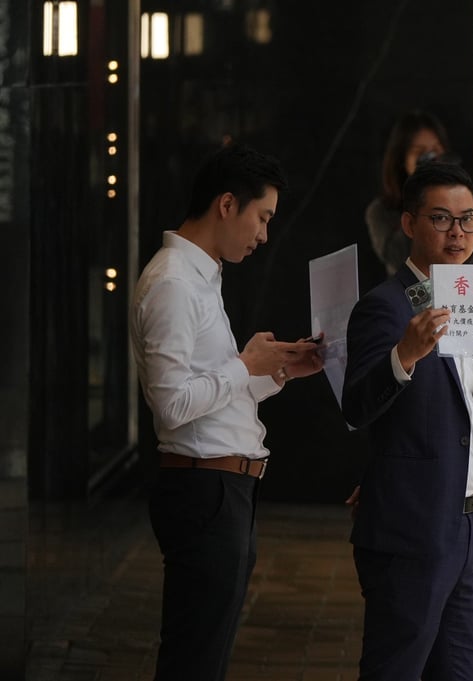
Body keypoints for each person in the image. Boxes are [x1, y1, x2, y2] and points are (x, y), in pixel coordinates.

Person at [129, 144, 323, 680]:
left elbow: (210, 394)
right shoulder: (173, 282)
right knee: (194, 660)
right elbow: (171, 407)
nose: (263, 235)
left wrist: (278, 370)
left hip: (221, 488)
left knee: (203, 656)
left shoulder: (201, 275)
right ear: (227, 204)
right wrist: (245, 364)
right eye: (261, 218)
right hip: (203, 490)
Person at [342, 161, 473, 680]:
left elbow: (466, 409)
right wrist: (404, 356)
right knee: (396, 668)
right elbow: (356, 406)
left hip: (465, 525)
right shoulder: (384, 308)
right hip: (412, 529)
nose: (458, 233)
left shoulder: (467, 299)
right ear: (409, 224)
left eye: (469, 220)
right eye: (441, 219)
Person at [366, 110, 473, 276]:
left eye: (435, 151)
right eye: (420, 153)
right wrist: (420, 196)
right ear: (402, 159)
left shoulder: (464, 197)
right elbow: (396, 257)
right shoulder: (380, 210)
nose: (430, 159)